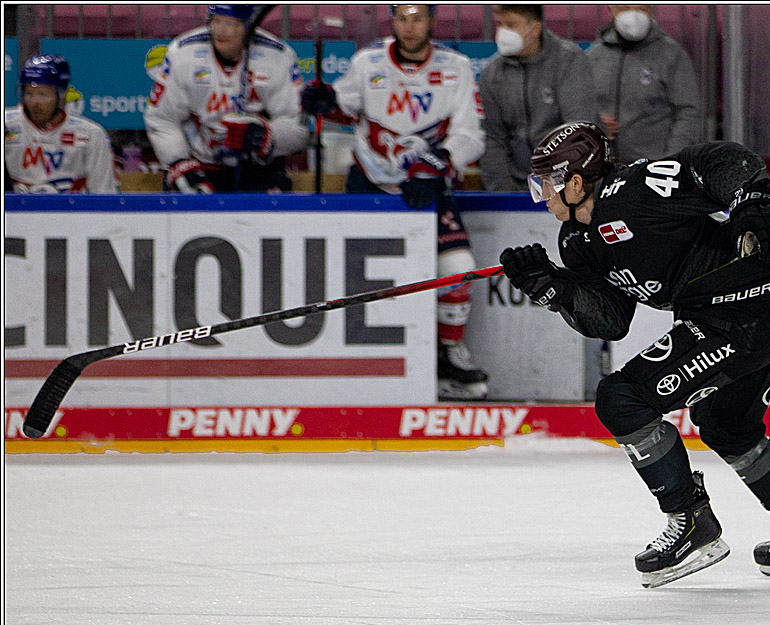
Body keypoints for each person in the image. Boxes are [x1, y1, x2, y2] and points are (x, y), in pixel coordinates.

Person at [499, 122, 770, 587]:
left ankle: (692, 522)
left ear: (576, 182)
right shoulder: (577, 241)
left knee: (621, 399)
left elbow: (720, 160)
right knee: (729, 427)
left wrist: (753, 200)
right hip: (754, 313)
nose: (541, 195)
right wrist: (554, 288)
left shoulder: (636, 190)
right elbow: (611, 321)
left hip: (742, 313)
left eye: (545, 182)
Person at [300, 4, 489, 400]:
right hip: (369, 184)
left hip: (426, 187)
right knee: (359, 277)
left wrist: (437, 163)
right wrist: (323, 101)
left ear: (432, 21)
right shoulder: (368, 61)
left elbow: (470, 134)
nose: (409, 26)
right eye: (402, 17)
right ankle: (363, 357)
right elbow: (343, 108)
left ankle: (448, 351)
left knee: (458, 266)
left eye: (418, 17)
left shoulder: (455, 66)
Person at [143, 4, 307, 193]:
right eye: (216, 20)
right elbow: (161, 118)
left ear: (249, 26)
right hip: (199, 165)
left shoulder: (278, 56)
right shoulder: (183, 53)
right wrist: (179, 163)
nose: (220, 30)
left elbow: (297, 126)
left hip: (259, 169)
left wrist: (268, 137)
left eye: (230, 23)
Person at [478, 5, 599, 191]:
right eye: (500, 24)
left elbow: (579, 131)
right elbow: (494, 138)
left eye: (511, 24)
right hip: (514, 185)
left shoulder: (569, 61)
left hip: (565, 186)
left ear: (535, 29)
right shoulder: (492, 74)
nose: (502, 32)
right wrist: (503, 192)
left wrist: (563, 190)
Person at [587, 5, 701, 163]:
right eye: (624, 8)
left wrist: (671, 159)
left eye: (641, 8)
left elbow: (688, 111)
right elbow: (579, 107)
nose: (633, 15)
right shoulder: (595, 55)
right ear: (610, 8)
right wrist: (595, 123)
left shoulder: (672, 55)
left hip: (654, 169)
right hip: (604, 169)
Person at [4, 54, 118, 194]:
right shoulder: (7, 124)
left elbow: (104, 192)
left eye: (43, 94)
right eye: (29, 93)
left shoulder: (91, 134)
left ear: (62, 94)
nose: (35, 102)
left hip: (72, 213)